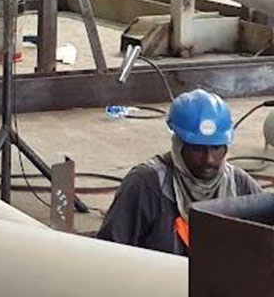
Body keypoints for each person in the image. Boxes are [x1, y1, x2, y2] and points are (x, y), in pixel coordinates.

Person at [97, 89, 260, 254]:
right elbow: (109, 252)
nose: (209, 159)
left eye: (216, 148)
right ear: (178, 145)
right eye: (197, 149)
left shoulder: (240, 185)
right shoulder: (146, 185)